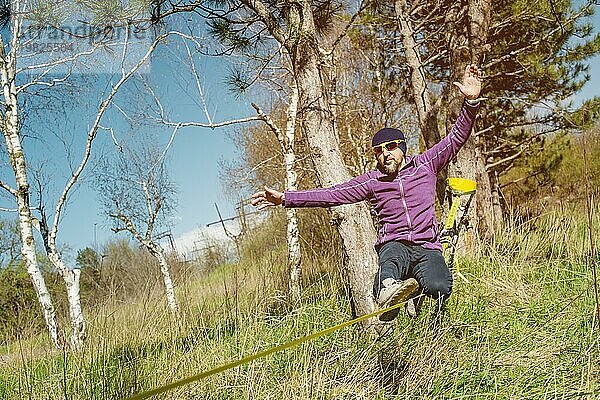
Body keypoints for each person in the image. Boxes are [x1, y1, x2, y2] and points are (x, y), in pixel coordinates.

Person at [251, 64, 482, 321]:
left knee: (440, 287)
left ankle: (414, 288)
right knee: (390, 261)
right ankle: (387, 291)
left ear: (402, 148)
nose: (385, 153)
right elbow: (331, 194)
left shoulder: (425, 165)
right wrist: (285, 198)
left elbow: (455, 138)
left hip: (427, 246)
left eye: (391, 146)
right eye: (379, 150)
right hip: (395, 245)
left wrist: (471, 102)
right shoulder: (373, 181)